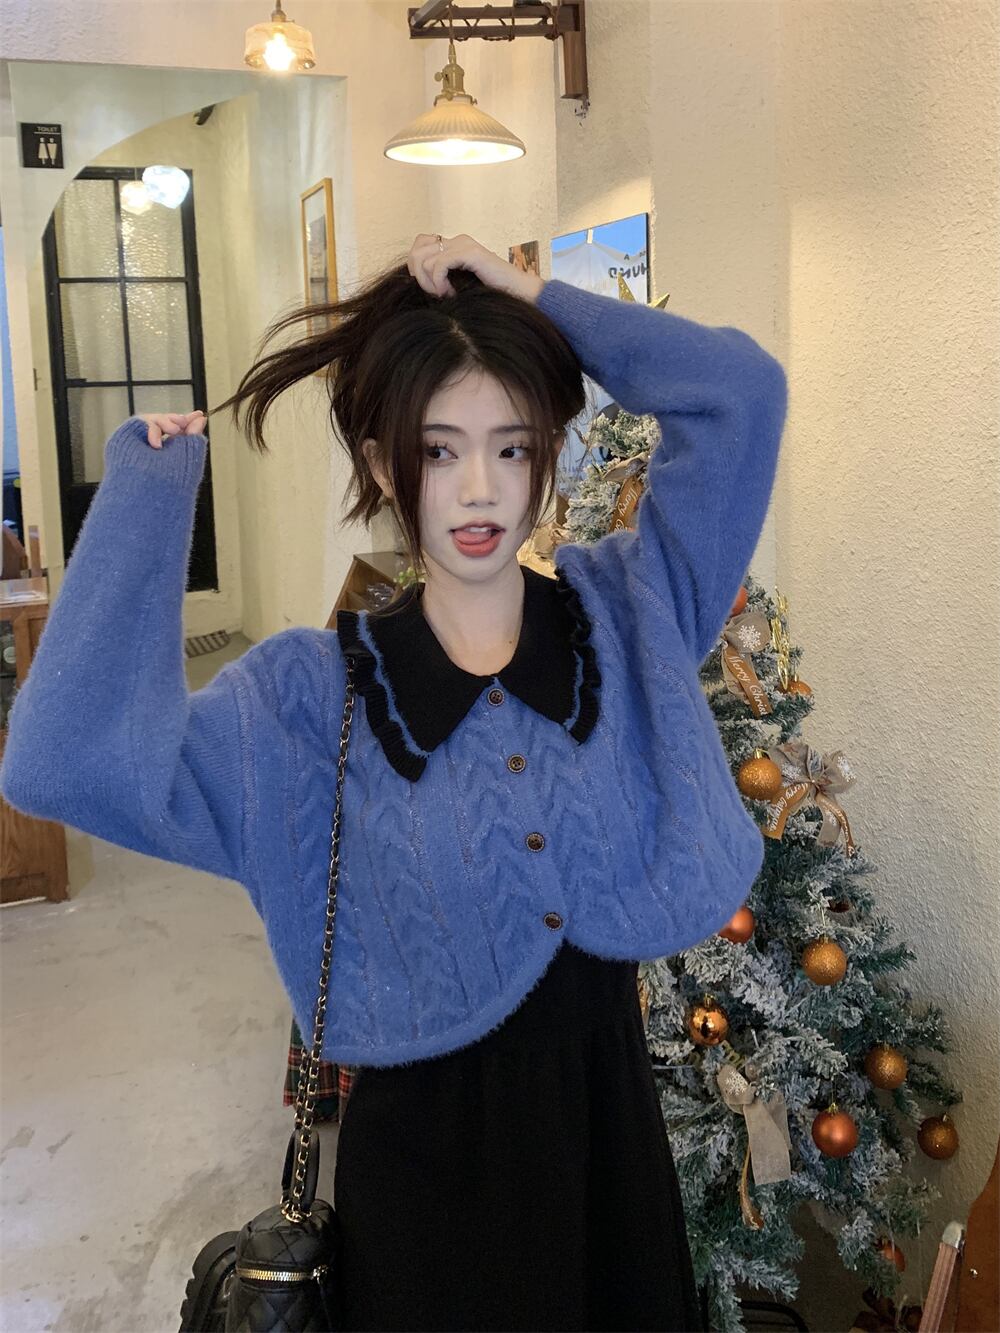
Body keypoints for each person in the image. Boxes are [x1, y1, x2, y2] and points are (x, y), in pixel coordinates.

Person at [0, 232, 789, 1331]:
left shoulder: (630, 615)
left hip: (613, 1156)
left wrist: (539, 298)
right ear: (382, 465)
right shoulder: (303, 701)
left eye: (512, 447)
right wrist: (145, 500)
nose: (480, 488)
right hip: (426, 1201)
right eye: (439, 450)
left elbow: (741, 395)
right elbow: (62, 760)